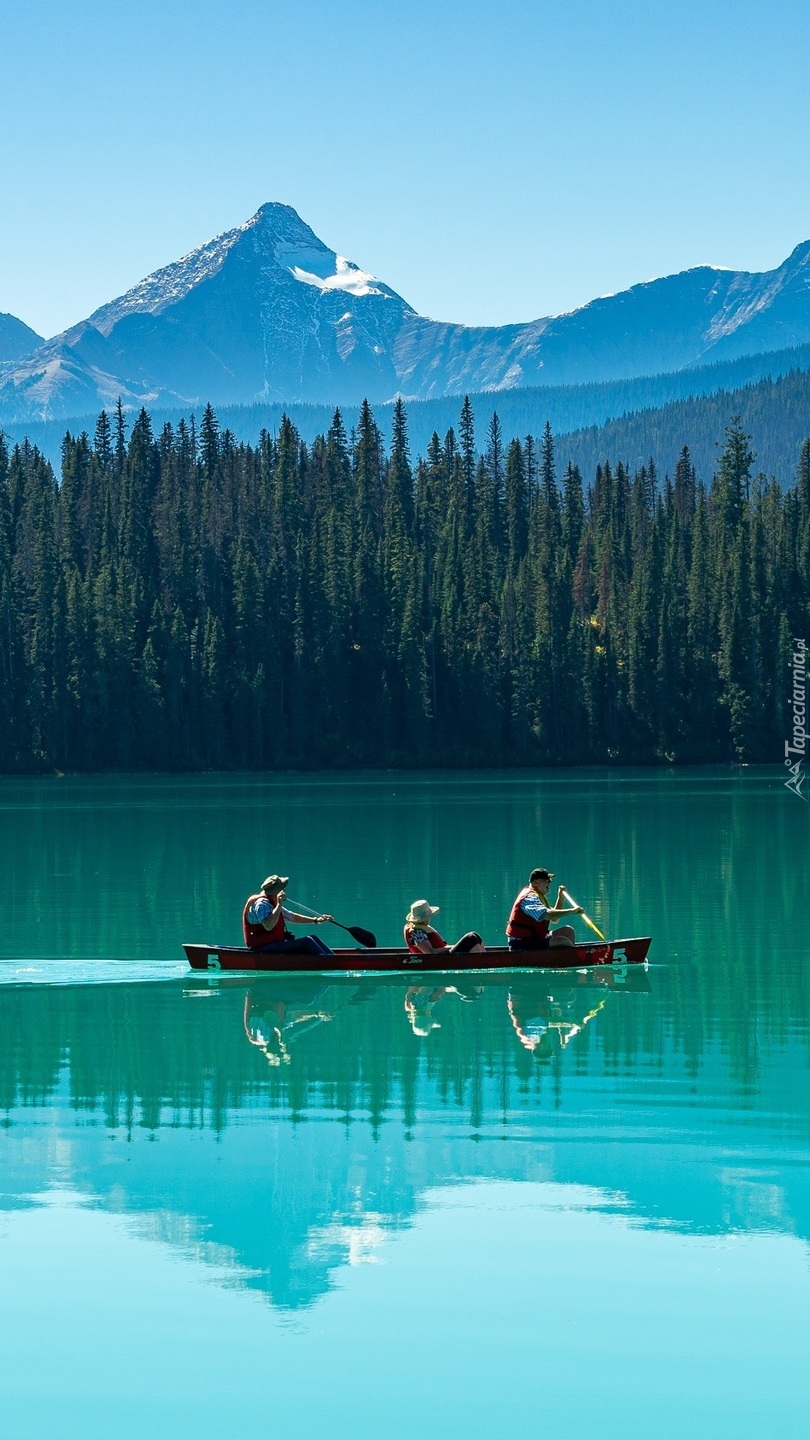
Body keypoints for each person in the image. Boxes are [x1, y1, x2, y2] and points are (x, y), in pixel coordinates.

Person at [243, 874, 336, 956]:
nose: (285, 891)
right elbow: (268, 926)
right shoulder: (262, 904)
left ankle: (333, 958)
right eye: (283, 889)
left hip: (272, 944)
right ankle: (332, 962)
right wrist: (279, 904)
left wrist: (316, 920)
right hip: (261, 948)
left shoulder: (270, 903)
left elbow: (291, 917)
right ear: (277, 891)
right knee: (307, 942)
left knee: (313, 938)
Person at [506, 868, 583, 950]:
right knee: (563, 941)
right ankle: (573, 958)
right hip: (521, 942)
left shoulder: (538, 897)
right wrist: (571, 911)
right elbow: (546, 915)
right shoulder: (529, 897)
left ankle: (570, 956)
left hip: (535, 938)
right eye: (546, 880)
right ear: (535, 883)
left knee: (568, 931)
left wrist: (560, 898)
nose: (549, 881)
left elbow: (554, 919)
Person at [403, 899, 485, 956]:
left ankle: (484, 959)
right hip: (440, 959)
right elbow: (430, 953)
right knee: (471, 938)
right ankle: (481, 962)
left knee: (475, 935)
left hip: (444, 955)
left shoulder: (421, 928)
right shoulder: (416, 932)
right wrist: (451, 947)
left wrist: (449, 947)